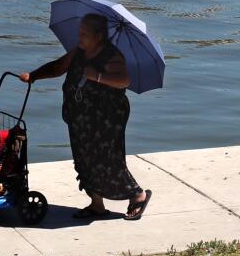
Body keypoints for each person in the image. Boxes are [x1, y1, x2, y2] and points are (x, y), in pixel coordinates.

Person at [22, 13, 152, 221]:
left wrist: (98, 76)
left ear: (99, 36)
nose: (79, 36)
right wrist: (34, 75)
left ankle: (137, 195)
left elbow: (124, 80)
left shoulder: (111, 56)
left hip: (107, 117)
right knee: (84, 158)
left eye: (84, 33)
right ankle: (97, 205)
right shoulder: (79, 53)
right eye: (79, 32)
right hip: (81, 116)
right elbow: (58, 67)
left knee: (107, 159)